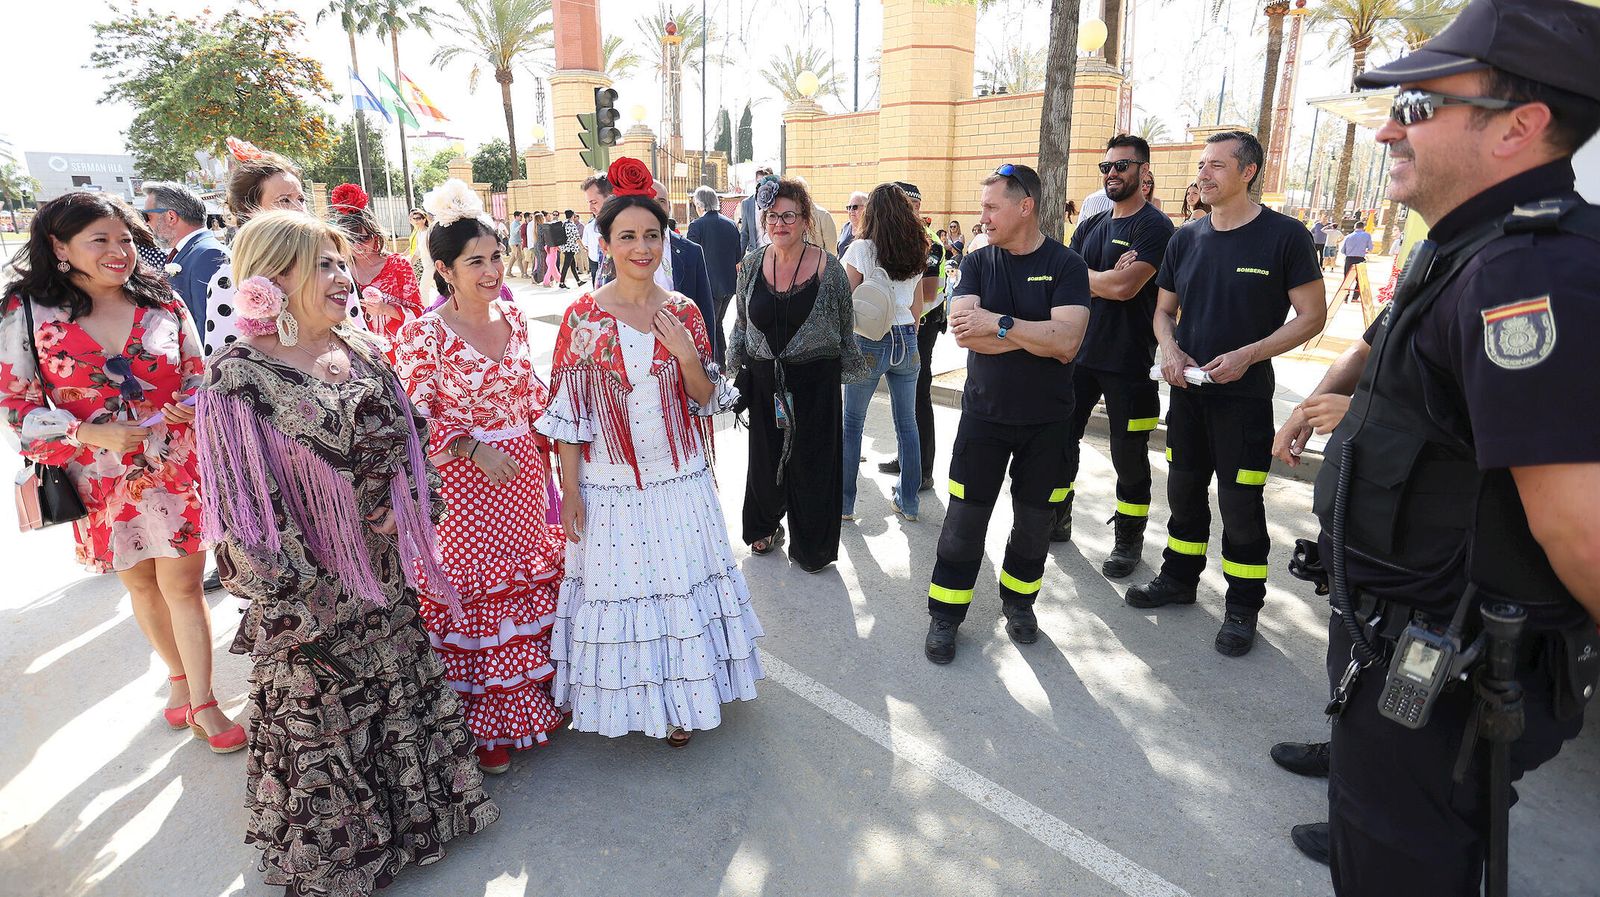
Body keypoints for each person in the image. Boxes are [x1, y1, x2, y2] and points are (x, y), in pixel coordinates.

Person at [1316, 1, 1600, 891]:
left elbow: (1581, 528)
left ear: (1519, 126)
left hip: (1452, 667)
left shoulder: (1529, 271)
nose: (1389, 129)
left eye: (1419, 106)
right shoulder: (1473, 246)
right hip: (1406, 648)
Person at [198, 209, 497, 894]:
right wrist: (303, 592)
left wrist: (409, 502)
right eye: (324, 265)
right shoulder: (238, 379)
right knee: (328, 711)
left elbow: (413, 440)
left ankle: (416, 821)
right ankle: (347, 852)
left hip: (384, 579)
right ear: (271, 279)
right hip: (311, 602)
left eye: (341, 263)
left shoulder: (362, 347)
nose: (343, 276)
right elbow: (244, 514)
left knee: (395, 689)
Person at [0, 190, 242, 752]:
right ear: (60, 246)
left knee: (184, 584)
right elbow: (14, 404)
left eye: (127, 239)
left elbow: (197, 373)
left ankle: (204, 700)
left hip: (175, 466)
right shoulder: (26, 310)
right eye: (100, 240)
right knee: (140, 582)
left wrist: (189, 404)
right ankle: (178, 678)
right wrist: (85, 433)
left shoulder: (161, 299)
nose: (119, 251)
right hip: (99, 475)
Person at [535, 158, 760, 748]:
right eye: (628, 236)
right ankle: (634, 702)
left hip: (679, 479)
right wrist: (571, 491)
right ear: (605, 243)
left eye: (652, 235)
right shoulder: (582, 317)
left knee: (679, 589)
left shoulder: (682, 310)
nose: (642, 248)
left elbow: (705, 398)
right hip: (609, 485)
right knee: (623, 594)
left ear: (666, 239)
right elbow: (569, 416)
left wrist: (685, 354)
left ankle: (682, 703)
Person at [1126, 130, 1326, 657]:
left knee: (1240, 506)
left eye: (1216, 165)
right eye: (1202, 164)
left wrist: (1248, 355)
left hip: (1245, 401)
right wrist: (1170, 350)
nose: (1203, 174)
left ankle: (1242, 606)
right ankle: (1179, 578)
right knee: (1184, 492)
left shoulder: (1285, 236)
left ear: (1248, 172)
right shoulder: (1185, 238)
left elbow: (1312, 316)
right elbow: (1163, 312)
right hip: (1188, 395)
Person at [394, 180, 567, 775]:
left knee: (527, 583)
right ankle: (486, 724)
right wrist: (470, 448)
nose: (492, 271)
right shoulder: (421, 334)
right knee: (477, 594)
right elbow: (413, 419)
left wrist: (559, 432)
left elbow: (528, 390)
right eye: (476, 262)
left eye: (496, 256)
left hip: (523, 476)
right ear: (444, 270)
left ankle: (536, 699)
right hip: (465, 487)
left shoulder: (514, 316)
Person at [923, 163, 1091, 664]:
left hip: (1048, 422)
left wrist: (998, 324)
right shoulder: (978, 262)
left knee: (1034, 525)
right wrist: (1034, 335)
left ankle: (1019, 603)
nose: (983, 217)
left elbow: (1067, 343)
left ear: (1025, 207)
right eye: (983, 207)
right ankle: (945, 616)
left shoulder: (1067, 265)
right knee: (963, 523)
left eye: (992, 207)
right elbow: (964, 334)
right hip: (985, 418)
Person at [1049, 135, 1176, 581]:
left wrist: (1092, 278)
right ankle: (1057, 518)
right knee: (1061, 441)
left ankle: (1128, 541)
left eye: (1122, 165)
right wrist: (1101, 277)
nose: (1112, 174)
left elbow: (1124, 288)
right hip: (1079, 355)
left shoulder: (1155, 228)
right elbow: (1063, 281)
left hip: (1130, 363)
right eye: (1106, 167)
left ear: (1144, 171)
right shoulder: (1091, 226)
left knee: (1129, 454)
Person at [729, 177, 867, 573]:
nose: (779, 223)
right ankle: (764, 525)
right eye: (772, 216)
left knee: (813, 462)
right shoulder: (752, 265)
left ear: (806, 219)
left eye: (789, 215)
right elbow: (741, 322)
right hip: (764, 381)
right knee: (765, 457)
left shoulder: (830, 270)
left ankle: (812, 545)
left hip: (814, 383)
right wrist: (735, 367)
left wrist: (842, 367)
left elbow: (844, 327)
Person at [204, 149, 366, 358]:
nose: (299, 209)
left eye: (301, 199)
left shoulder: (333, 267)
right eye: (285, 200)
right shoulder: (228, 279)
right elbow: (219, 359)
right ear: (250, 211)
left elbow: (357, 336)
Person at [841, 183, 930, 523]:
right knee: (907, 423)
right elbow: (918, 303)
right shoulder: (917, 246)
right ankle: (909, 502)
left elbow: (846, 299)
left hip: (868, 338)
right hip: (906, 337)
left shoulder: (861, 249)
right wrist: (910, 331)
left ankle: (845, 504)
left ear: (872, 213)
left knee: (852, 424)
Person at [876, 182, 947, 493]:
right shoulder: (903, 237)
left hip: (922, 326)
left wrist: (898, 312)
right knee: (903, 401)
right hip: (907, 325)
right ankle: (906, 459)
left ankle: (923, 471)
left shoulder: (927, 241)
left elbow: (928, 294)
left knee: (918, 397)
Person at [329, 183, 423, 352]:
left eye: (364, 239)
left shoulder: (398, 266)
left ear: (375, 235)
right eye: (350, 240)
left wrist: (385, 309)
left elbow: (418, 314)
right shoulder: (339, 270)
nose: (357, 246)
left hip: (399, 355)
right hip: (357, 353)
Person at [141, 181, 227, 330]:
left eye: (147, 216)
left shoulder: (208, 254)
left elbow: (209, 324)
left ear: (171, 217)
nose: (146, 224)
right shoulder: (194, 251)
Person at [649, 179, 717, 346]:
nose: (656, 206)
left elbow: (705, 312)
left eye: (661, 201)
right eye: (649, 200)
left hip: (682, 346)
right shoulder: (623, 251)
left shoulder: (691, 251)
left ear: (669, 207)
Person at [686, 183, 741, 360]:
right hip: (729, 285)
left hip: (709, 285)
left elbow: (690, 258)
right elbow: (738, 256)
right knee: (717, 323)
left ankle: (715, 362)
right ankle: (722, 361)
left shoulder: (696, 226)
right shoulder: (731, 224)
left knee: (710, 325)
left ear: (699, 204)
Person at [582, 175, 611, 284]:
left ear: (610, 198)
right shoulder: (599, 226)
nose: (590, 208)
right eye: (588, 203)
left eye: (594, 202)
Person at [738, 166, 775, 253]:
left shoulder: (777, 201)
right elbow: (744, 233)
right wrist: (739, 257)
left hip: (775, 252)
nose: (762, 185)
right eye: (759, 182)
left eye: (766, 182)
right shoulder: (747, 203)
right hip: (756, 252)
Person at [1340, 224, 1374, 301]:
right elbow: (1370, 248)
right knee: (1360, 279)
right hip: (1360, 259)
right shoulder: (1367, 235)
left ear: (1354, 227)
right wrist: (1364, 250)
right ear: (1363, 227)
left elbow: (1342, 250)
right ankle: (1355, 297)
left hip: (1349, 259)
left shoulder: (1348, 236)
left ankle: (1345, 297)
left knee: (1347, 279)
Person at [837, 189, 868, 254]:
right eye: (849, 207)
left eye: (855, 207)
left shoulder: (870, 229)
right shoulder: (845, 227)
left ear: (866, 208)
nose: (851, 210)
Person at [558, 209, 581, 288]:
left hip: (565, 248)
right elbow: (577, 237)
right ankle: (561, 283)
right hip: (571, 249)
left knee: (573, 265)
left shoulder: (563, 224)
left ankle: (579, 281)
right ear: (572, 216)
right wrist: (584, 247)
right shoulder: (572, 225)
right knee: (566, 266)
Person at [530, 211, 549, 284]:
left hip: (536, 246)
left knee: (538, 263)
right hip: (541, 247)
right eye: (543, 217)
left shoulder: (536, 227)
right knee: (541, 264)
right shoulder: (542, 227)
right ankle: (536, 278)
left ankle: (535, 276)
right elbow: (545, 238)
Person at [507, 210, 526, 278]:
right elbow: (514, 232)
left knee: (514, 258)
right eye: (520, 216)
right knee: (519, 258)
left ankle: (508, 272)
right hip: (515, 243)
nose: (521, 217)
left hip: (516, 242)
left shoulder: (517, 223)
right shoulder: (514, 223)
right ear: (516, 216)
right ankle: (523, 273)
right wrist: (520, 227)